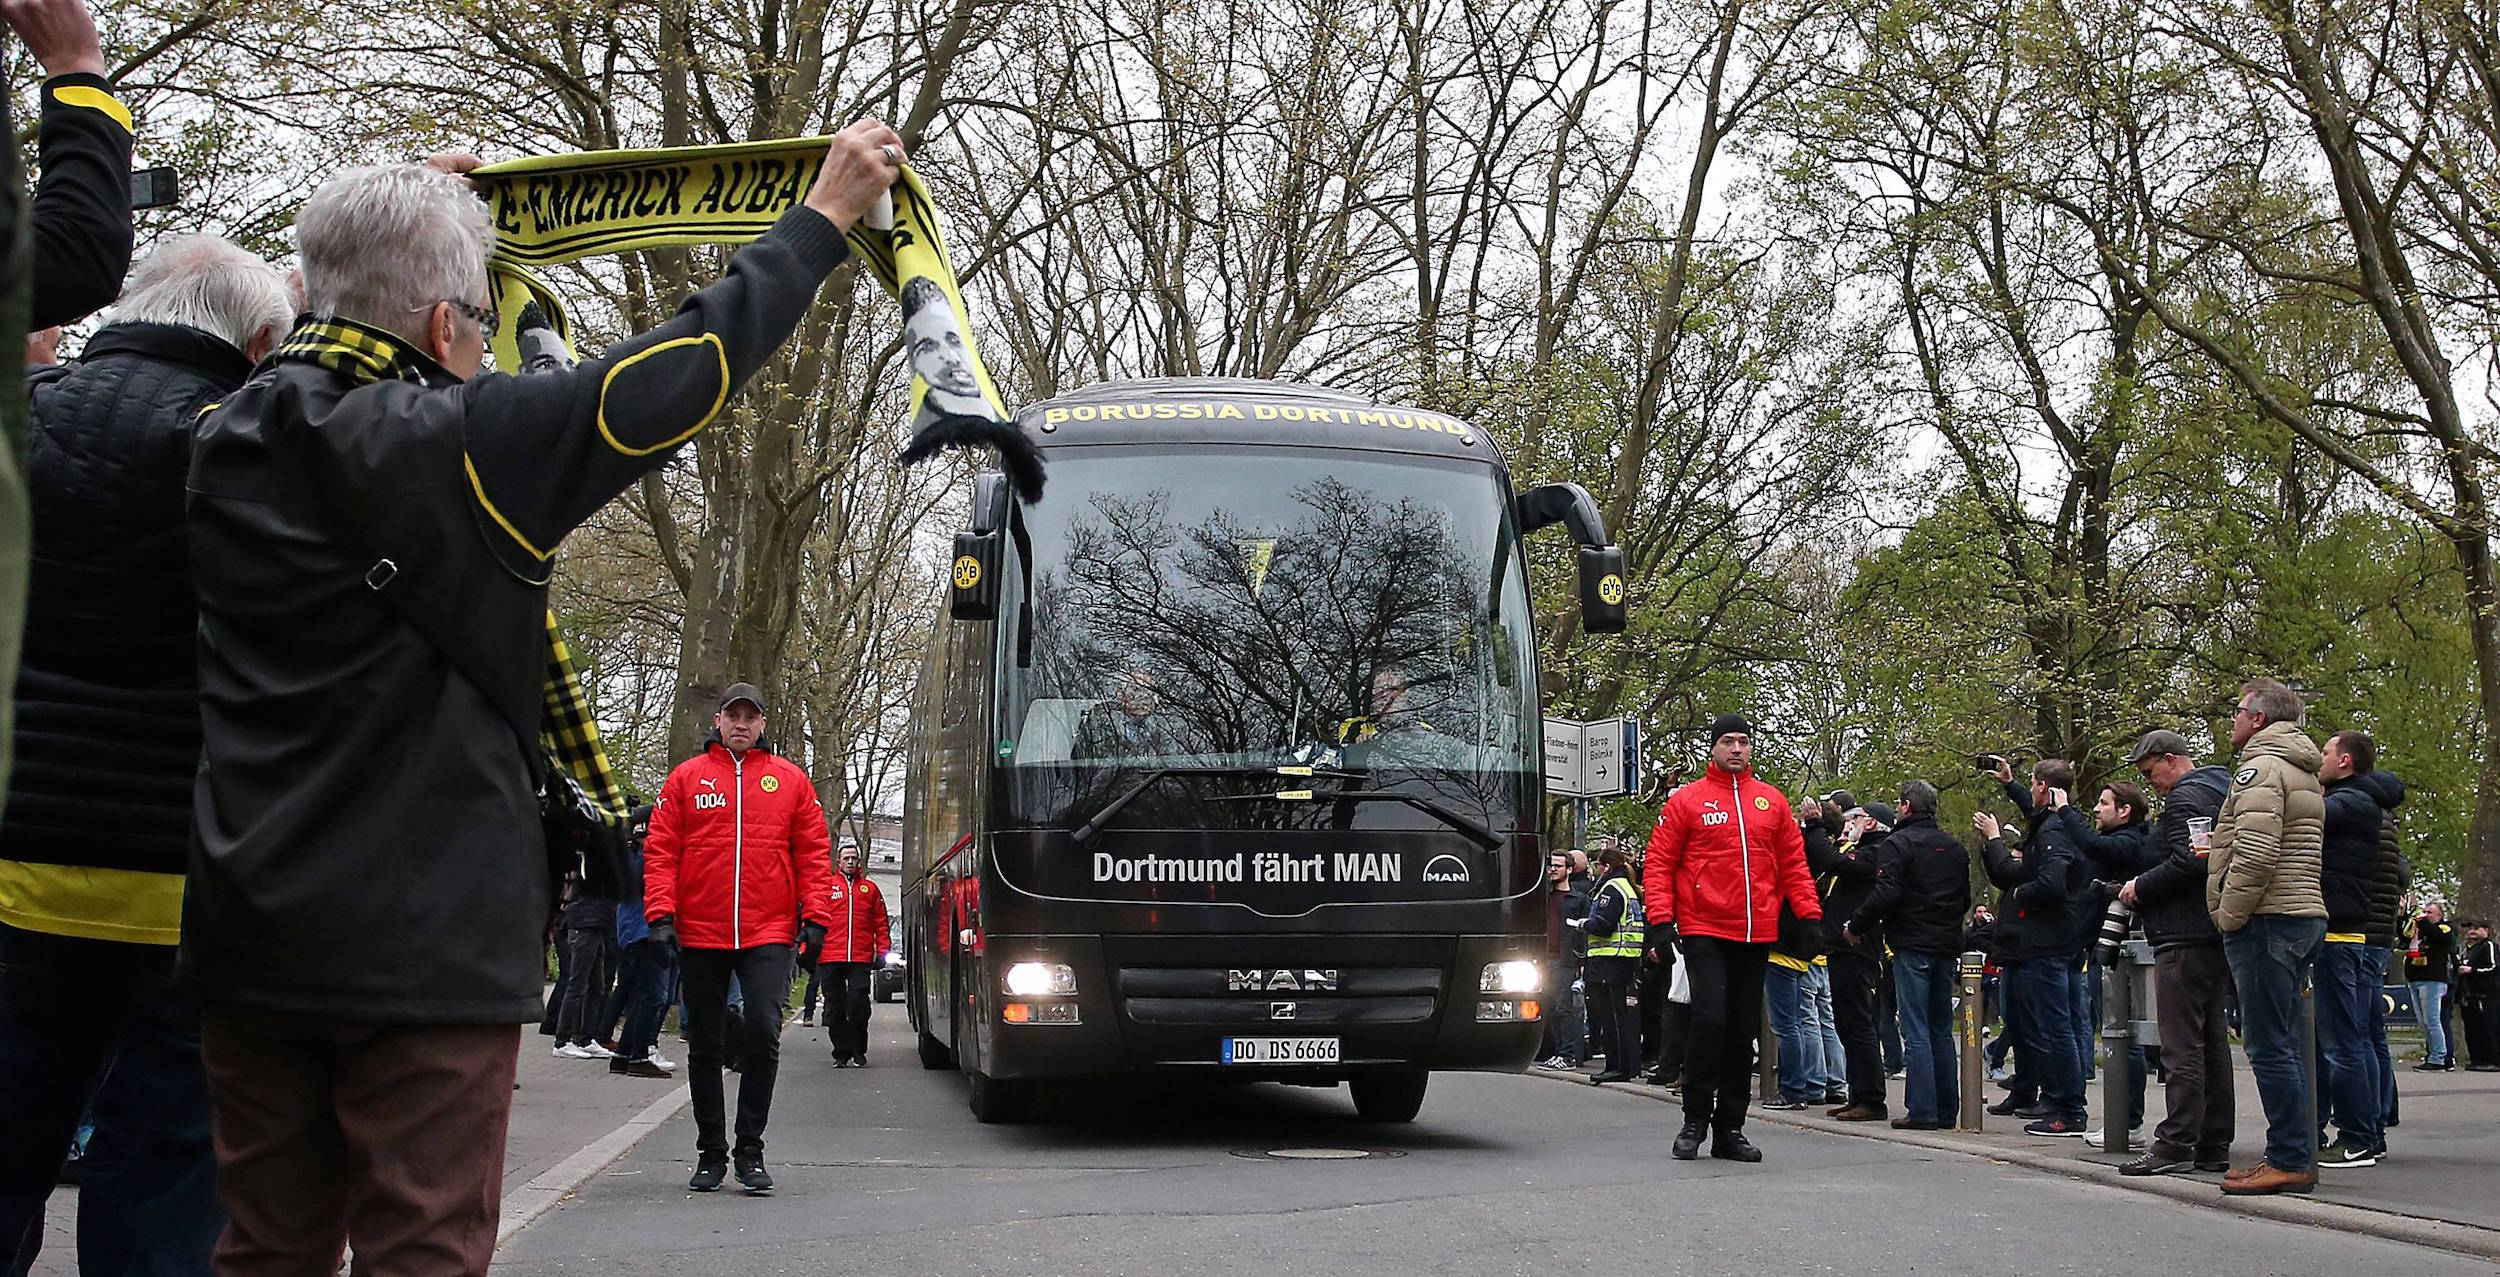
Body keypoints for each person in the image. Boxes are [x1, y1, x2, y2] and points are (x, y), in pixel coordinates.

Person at [181, 124, 902, 1270]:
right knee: (424, 1240)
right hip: (426, 940)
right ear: (439, 326)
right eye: (474, 319)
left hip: (248, 920)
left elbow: (322, 321)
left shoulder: (224, 436)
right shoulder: (464, 446)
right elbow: (680, 368)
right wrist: (818, 220)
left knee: (265, 1243)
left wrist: (422, 225)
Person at [0, 235, 289, 1276]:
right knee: (162, 1187)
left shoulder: (18, 418)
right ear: (260, 342)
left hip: (12, 873)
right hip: (184, 887)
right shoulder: (250, 447)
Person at [644, 683, 837, 1191]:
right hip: (701, 930)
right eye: (733, 715)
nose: (741, 724)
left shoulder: (791, 782)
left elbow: (814, 854)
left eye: (751, 717)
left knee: (762, 1032)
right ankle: (711, 1152)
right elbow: (661, 850)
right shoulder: (687, 779)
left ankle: (751, 1150)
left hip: (768, 931)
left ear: (763, 725)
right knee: (704, 1043)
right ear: (718, 720)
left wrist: (816, 919)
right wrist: (661, 914)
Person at [1643, 713, 1820, 1163]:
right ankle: (1694, 1118)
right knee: (1709, 1020)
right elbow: (1660, 863)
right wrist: (1662, 922)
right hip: (1704, 926)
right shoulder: (1688, 801)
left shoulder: (1772, 802)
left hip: (1757, 930)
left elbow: (1794, 866)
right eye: (1728, 741)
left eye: (1743, 741)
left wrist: (1810, 916)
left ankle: (1730, 1128)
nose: (1737, 749)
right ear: (1714, 748)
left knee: (1742, 1032)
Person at [2209, 677, 2327, 1197]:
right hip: (2300, 913)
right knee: (2285, 1042)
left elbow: (2256, 851)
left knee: (2268, 1044)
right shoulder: (2302, 768)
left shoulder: (2261, 768)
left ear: (2257, 718)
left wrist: (2228, 914)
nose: (2232, 720)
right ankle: (2293, 1152)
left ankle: (2289, 1158)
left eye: (2237, 711)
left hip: (2267, 917)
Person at [2115, 731, 2232, 1176]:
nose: (2151, 785)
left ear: (2170, 760)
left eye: (2150, 774)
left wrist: (2139, 886)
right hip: (2212, 930)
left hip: (2183, 933)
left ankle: (2176, 1143)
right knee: (2212, 1042)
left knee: (2181, 1045)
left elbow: (2192, 859)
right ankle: (2212, 1141)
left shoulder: (2187, 798)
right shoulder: (2220, 789)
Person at [1973, 760, 2089, 1137]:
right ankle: (2033, 1093)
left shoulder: (2056, 831)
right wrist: (2011, 783)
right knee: (2023, 1024)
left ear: (2044, 787)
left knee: (2054, 1028)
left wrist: (2019, 887)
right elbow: (2035, 814)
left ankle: (2069, 1107)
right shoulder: (2048, 823)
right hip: (2027, 944)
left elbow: (2052, 882)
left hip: (2047, 943)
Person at [1843, 781, 1969, 1130]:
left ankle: (1922, 1109)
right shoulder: (1954, 847)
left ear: (1906, 807)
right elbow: (1964, 899)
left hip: (1912, 942)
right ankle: (1947, 1109)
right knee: (1941, 1029)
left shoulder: (1897, 844)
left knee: (1915, 1029)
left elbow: (1887, 893)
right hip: (1945, 943)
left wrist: (1857, 923)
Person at [2314, 730, 2400, 1167]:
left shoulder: (2348, 805)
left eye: (2326, 752)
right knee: (2358, 1036)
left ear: (2345, 760)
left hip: (2342, 930)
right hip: (2363, 932)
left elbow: (2303, 817)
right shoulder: (2372, 805)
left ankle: (2358, 1135)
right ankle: (2369, 1129)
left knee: (2343, 1040)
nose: (2319, 759)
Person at [2058, 780, 2153, 1149]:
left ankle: (2127, 1121)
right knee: (2115, 1033)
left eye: (2103, 803)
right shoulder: (2120, 844)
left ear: (2124, 810)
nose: (2096, 810)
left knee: (2121, 1035)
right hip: (2100, 946)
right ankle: (2124, 1120)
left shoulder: (2127, 844)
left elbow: (2092, 844)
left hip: (2116, 949)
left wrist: (2066, 809)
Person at [1821, 798, 1891, 1121]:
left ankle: (1872, 1098)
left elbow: (1835, 862)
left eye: (1857, 818)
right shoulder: (1863, 851)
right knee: (1846, 1024)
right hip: (1842, 946)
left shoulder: (1875, 852)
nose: (1850, 824)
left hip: (1857, 948)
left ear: (1872, 823)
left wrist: (1841, 839)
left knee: (1859, 1024)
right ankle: (1857, 1093)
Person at [609, 802, 678, 1079]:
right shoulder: (644, 856)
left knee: (644, 993)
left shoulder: (633, 855)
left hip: (636, 930)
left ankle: (625, 1053)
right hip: (645, 931)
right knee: (655, 996)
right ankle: (640, 1052)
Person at [817, 840, 891, 1067]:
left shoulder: (869, 889)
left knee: (859, 1003)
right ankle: (841, 1052)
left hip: (860, 956)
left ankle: (859, 1048)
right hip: (831, 955)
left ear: (859, 861)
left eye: (854, 858)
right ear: (838, 861)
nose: (850, 862)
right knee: (835, 1005)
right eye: (846, 858)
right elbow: (815, 918)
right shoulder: (827, 887)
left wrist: (883, 949)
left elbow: (880, 921)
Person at [1578, 847, 1646, 1083]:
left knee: (1611, 1016)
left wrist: (1583, 924)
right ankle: (1625, 1066)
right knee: (1622, 1015)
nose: (1596, 870)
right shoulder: (1628, 887)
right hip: (1624, 958)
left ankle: (1616, 1066)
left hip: (1610, 959)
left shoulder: (1611, 889)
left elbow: (1604, 925)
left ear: (1605, 866)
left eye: (1597, 866)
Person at [549, 874, 619, 1058]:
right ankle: (562, 1040)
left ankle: (586, 1038)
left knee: (597, 986)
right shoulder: (588, 861)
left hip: (598, 925)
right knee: (577, 985)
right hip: (584, 924)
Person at [900, 275, 989, 417]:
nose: (951, 357)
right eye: (928, 347)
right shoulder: (928, 434)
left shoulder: (1020, 424)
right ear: (913, 366)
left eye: (954, 340)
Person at [1538, 850, 1593, 1068]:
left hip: (1566, 960)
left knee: (1565, 1008)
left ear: (1569, 870)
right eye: (1551, 865)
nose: (1553, 869)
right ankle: (1558, 1052)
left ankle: (1568, 1054)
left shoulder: (1578, 900)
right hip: (1544, 959)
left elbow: (1585, 933)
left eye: (1558, 866)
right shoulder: (1544, 897)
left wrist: (1582, 962)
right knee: (1550, 1007)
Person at [2407, 901, 2458, 1070]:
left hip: (2433, 979)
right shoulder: (2418, 931)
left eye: (2430, 912)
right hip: (2415, 978)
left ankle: (2439, 1057)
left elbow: (2439, 936)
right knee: (2423, 1022)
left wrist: (2423, 922)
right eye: (2424, 911)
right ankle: (2432, 1053)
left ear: (2438, 915)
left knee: (2432, 1020)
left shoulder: (2444, 928)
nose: (2425, 914)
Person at [2458, 920, 2499, 1071]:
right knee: (2472, 1028)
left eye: (2476, 928)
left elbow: (2493, 966)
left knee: (2488, 1026)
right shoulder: (2465, 949)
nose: (2471, 931)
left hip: (2487, 994)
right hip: (2470, 995)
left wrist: (2472, 970)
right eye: (2469, 928)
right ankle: (2477, 1058)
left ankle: (2493, 1060)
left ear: (2486, 930)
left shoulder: (2489, 946)